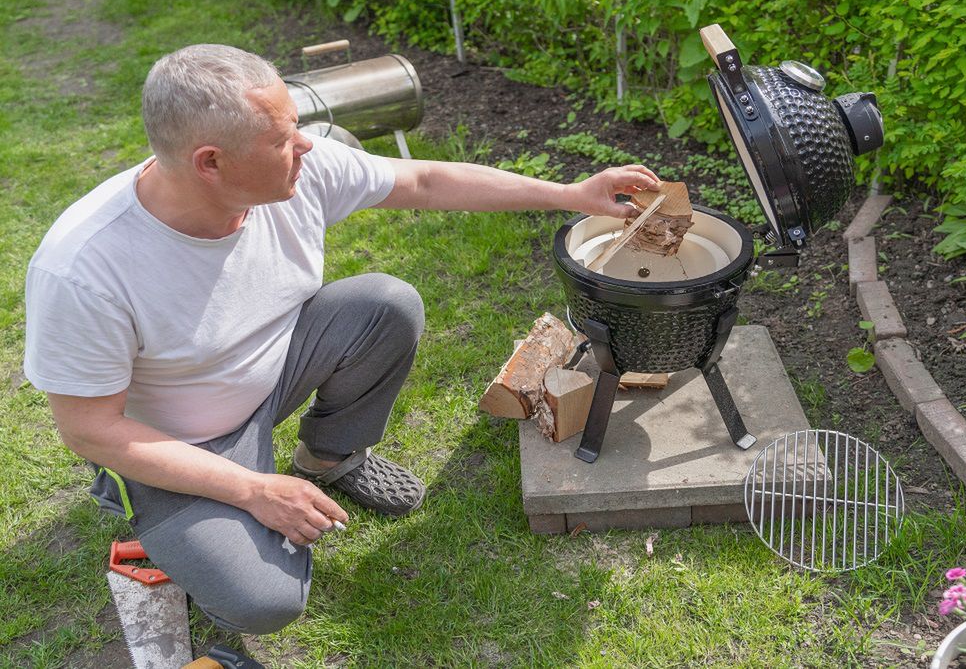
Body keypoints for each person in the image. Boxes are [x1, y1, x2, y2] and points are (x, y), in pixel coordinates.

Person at [23, 44, 659, 634]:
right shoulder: (86, 268)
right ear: (209, 163)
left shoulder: (299, 170)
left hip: (273, 370)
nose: (304, 145)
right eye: (281, 139)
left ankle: (328, 460)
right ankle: (157, 501)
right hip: (179, 438)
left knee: (384, 304)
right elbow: (89, 430)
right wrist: (250, 490)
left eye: (295, 125)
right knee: (265, 602)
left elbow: (424, 182)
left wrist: (571, 194)